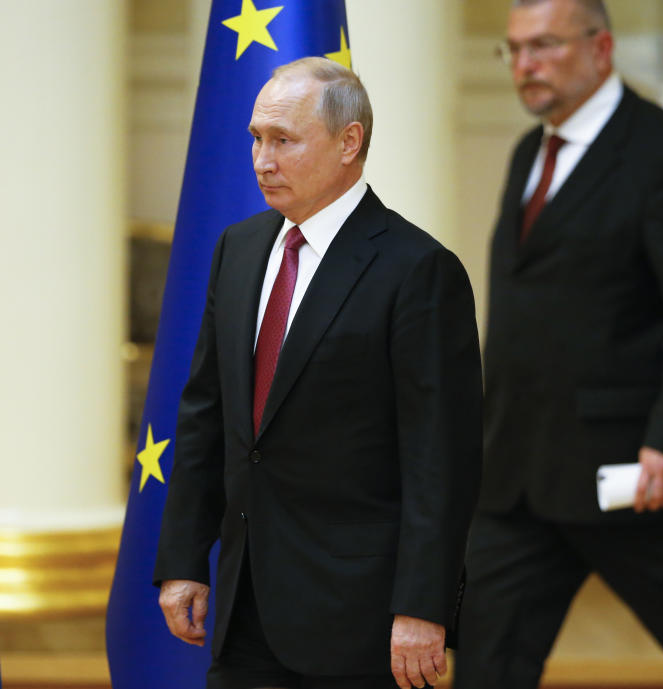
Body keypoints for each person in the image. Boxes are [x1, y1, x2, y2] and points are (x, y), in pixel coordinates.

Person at [153, 57, 483, 689]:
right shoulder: (240, 249)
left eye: (283, 140)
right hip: (243, 602)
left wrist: (422, 606)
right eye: (256, 138)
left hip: (358, 617)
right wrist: (184, 560)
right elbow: (205, 415)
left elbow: (441, 458)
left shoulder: (418, 270)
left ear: (348, 142)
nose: (261, 159)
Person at [453, 1, 663, 686]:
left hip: (632, 477)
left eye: (543, 45)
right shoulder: (528, 151)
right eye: (513, 50)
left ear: (601, 48)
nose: (525, 64)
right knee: (485, 666)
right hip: (515, 474)